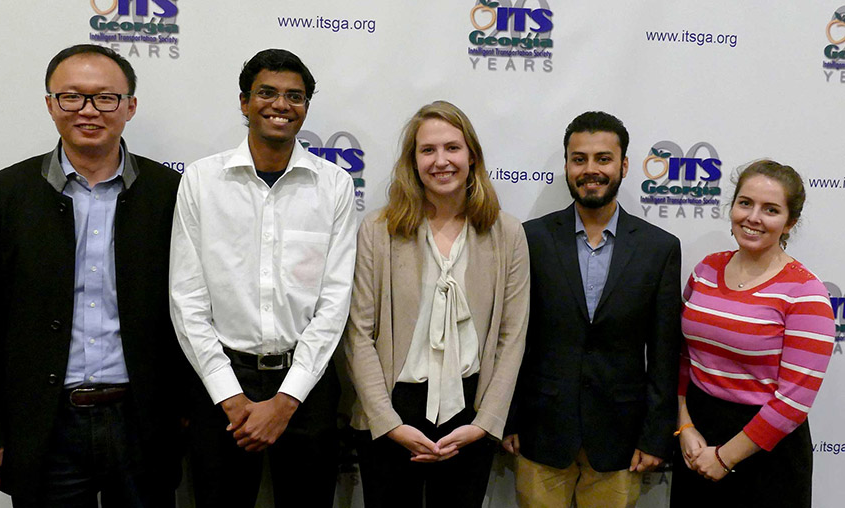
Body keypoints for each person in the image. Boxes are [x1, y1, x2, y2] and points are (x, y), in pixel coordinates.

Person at [0, 44, 185, 507]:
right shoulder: (5, 194)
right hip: (45, 423)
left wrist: (185, 413)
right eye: (71, 97)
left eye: (105, 98)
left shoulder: (170, 193)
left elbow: (193, 309)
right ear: (50, 104)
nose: (87, 111)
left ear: (129, 107)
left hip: (141, 422)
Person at [169, 48, 357, 507]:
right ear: (243, 102)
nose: (280, 104)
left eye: (294, 96)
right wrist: (229, 396)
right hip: (221, 385)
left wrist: (287, 400)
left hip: (306, 385)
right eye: (267, 93)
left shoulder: (334, 185)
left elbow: (334, 301)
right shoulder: (201, 181)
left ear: (306, 107)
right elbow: (187, 299)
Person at [345, 100, 530, 508]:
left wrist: (484, 425)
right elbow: (358, 334)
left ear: (471, 156)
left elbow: (511, 338)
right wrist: (389, 423)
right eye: (427, 150)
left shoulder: (507, 233)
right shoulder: (379, 230)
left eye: (452, 148)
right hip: (391, 412)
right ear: (412, 161)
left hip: (471, 414)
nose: (441, 161)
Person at [503, 111, 681, 508]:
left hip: (620, 439)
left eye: (603, 158)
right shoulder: (529, 238)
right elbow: (513, 337)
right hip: (541, 432)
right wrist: (508, 418)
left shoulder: (660, 248)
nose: (590, 170)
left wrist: (655, 436)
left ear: (624, 165)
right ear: (567, 165)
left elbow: (665, 353)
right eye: (579, 159)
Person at [670, 160, 835, 508]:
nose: (753, 217)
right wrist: (685, 426)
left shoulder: (806, 293)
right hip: (697, 439)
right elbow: (684, 356)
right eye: (745, 203)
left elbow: (793, 402)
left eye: (770, 209)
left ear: (789, 222)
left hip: (766, 454)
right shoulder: (706, 269)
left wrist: (726, 457)